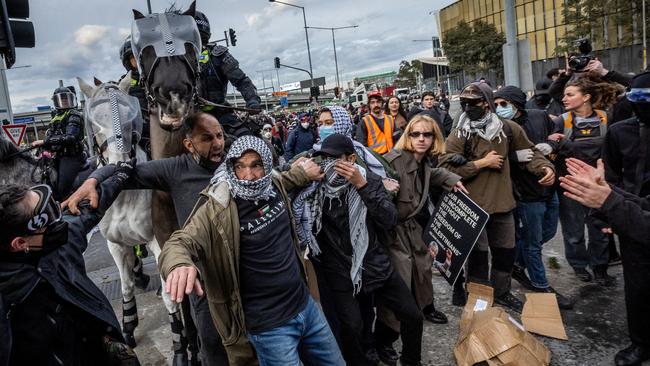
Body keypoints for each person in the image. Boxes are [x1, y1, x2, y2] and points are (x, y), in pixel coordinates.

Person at [66, 113, 324, 365]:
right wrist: (94, 180)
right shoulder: (174, 169)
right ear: (189, 144)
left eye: (220, 136)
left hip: (250, 282)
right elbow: (125, 171)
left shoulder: (232, 162)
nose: (218, 144)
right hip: (207, 284)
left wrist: (302, 174)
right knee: (214, 347)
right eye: (207, 138)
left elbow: (270, 181)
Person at [157, 136, 343, 366]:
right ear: (231, 168)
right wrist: (178, 263)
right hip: (270, 330)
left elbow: (286, 179)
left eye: (256, 165)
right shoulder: (219, 208)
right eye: (240, 167)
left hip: (307, 308)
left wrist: (305, 173)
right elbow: (180, 241)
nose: (248, 175)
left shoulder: (273, 186)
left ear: (266, 165)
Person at [293, 133, 423, 366]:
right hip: (338, 271)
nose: (329, 164)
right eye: (324, 159)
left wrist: (362, 185)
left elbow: (388, 220)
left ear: (351, 159)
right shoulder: (314, 188)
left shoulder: (368, 180)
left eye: (336, 159)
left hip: (373, 264)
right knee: (352, 327)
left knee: (412, 315)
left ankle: (411, 361)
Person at [0, 164, 139, 365]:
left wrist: (94, 180)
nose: (58, 221)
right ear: (20, 243)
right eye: (45, 218)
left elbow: (110, 182)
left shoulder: (61, 243)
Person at [439, 83, 555, 312]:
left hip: (503, 205)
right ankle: (479, 297)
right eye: (464, 103)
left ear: (486, 103)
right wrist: (480, 164)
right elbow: (445, 168)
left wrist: (545, 168)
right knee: (478, 258)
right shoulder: (460, 132)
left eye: (473, 102)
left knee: (505, 254)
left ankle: (502, 293)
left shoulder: (507, 129)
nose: (467, 107)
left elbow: (529, 153)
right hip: (473, 207)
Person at [378, 115, 466, 361]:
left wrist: (451, 179)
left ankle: (424, 310)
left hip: (414, 230)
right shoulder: (394, 161)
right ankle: (385, 338)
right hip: (394, 233)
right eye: (415, 134)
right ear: (407, 136)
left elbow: (430, 174)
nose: (421, 139)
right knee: (398, 289)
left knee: (423, 273)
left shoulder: (424, 160)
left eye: (427, 135)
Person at [493, 86, 572, 310]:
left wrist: (551, 145)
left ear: (516, 103)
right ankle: (541, 285)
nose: (500, 109)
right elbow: (490, 156)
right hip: (525, 193)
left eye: (504, 104)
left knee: (546, 233)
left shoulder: (539, 116)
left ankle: (515, 262)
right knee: (533, 243)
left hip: (548, 186)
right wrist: (512, 156)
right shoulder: (500, 128)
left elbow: (559, 136)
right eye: (496, 104)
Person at [601, 73, 650, 366]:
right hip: (629, 215)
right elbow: (610, 177)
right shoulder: (619, 132)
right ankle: (641, 342)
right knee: (637, 285)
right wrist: (607, 215)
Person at [554, 78, 616, 285]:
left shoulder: (606, 118)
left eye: (570, 94)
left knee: (600, 229)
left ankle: (600, 268)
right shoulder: (562, 121)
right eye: (564, 94)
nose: (564, 98)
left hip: (599, 184)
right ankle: (579, 265)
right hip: (570, 184)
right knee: (573, 231)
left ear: (587, 97)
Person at [194, 11, 262, 138]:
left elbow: (241, 81)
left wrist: (252, 100)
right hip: (190, 119)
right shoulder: (178, 58)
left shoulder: (218, 54)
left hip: (222, 115)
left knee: (251, 141)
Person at [31, 85, 86, 201]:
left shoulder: (74, 114)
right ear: (56, 101)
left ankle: (64, 207)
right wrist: (43, 144)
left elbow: (70, 137)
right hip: (58, 156)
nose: (64, 102)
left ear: (71, 99)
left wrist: (44, 141)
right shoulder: (56, 117)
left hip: (72, 157)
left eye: (66, 99)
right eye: (62, 99)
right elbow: (51, 137)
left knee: (62, 188)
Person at [119, 36, 150, 157]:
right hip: (137, 131)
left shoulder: (156, 77)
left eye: (140, 56)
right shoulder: (123, 82)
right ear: (128, 61)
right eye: (134, 57)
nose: (137, 60)